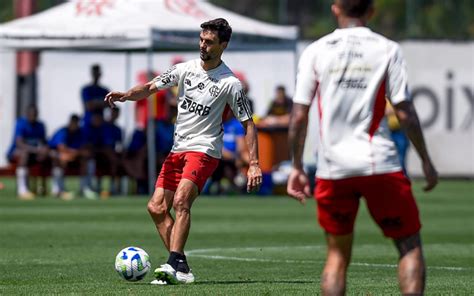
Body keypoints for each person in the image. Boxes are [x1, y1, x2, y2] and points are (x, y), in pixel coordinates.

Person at [286, 1, 438, 295]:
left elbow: (298, 116)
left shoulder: (316, 50)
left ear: (335, 9)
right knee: (409, 246)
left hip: (333, 169)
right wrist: (427, 162)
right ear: (371, 11)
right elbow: (404, 111)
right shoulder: (387, 49)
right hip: (380, 164)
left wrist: (296, 167)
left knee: (337, 256)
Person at [105, 18, 262, 285]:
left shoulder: (230, 83)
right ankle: (181, 267)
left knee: (180, 202)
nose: (203, 45)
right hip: (178, 149)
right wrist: (127, 95)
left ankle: (172, 264)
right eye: (201, 40)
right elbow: (151, 88)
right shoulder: (184, 69)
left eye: (209, 42)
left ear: (223, 45)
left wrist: (254, 163)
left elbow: (248, 123)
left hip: (204, 150)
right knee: (155, 207)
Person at [6, 105, 49, 200]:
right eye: (31, 115)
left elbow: (44, 142)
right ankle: (22, 190)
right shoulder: (20, 123)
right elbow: (19, 144)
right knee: (24, 154)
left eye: (35, 115)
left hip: (34, 153)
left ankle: (45, 188)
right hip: (15, 153)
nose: (33, 117)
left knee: (50, 155)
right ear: (27, 114)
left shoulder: (40, 125)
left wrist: (44, 150)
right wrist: (36, 150)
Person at [48, 114, 86, 200]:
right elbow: (61, 148)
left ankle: (84, 188)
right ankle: (58, 189)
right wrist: (74, 153)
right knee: (62, 158)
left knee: (85, 159)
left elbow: (83, 148)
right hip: (53, 153)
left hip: (71, 155)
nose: (75, 125)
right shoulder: (63, 131)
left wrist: (75, 153)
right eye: (73, 123)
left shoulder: (79, 132)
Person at [386, 100, 410, 175]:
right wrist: (396, 110)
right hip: (386, 133)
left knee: (401, 160)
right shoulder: (384, 97)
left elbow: (405, 114)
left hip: (400, 132)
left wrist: (392, 111)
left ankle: (402, 179)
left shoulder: (401, 98)